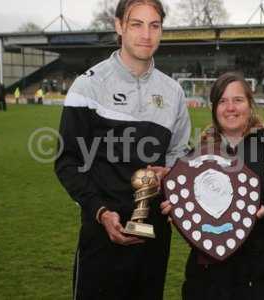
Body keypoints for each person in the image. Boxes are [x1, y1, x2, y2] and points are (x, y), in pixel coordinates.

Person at [54, 0, 191, 299]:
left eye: (154, 25)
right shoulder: (88, 86)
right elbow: (67, 161)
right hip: (102, 233)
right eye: (136, 24)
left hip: (153, 239)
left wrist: (171, 174)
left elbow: (179, 156)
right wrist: (101, 212)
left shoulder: (173, 92)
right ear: (119, 26)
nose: (146, 34)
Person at [161, 72, 264, 300]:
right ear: (214, 108)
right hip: (208, 280)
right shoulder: (195, 158)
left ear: (250, 104)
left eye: (238, 100)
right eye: (222, 101)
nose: (230, 108)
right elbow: (193, 221)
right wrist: (179, 212)